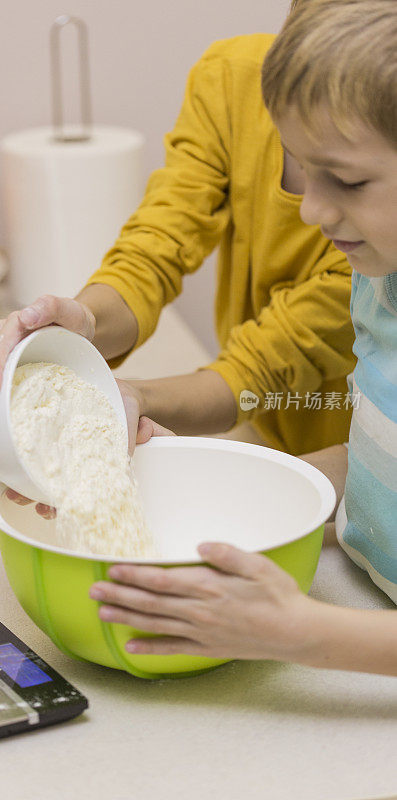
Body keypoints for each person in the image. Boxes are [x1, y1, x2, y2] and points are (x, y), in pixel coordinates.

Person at [87, 0, 397, 676]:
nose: (310, 210)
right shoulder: (378, 281)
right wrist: (227, 486)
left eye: (344, 179)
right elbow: (382, 460)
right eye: (298, 167)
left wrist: (301, 635)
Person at [0, 0, 355, 456]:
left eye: (347, 180)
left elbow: (261, 367)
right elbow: (159, 244)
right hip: (272, 434)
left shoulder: (375, 240)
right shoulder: (233, 80)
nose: (311, 210)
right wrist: (80, 323)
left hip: (348, 456)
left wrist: (127, 398)